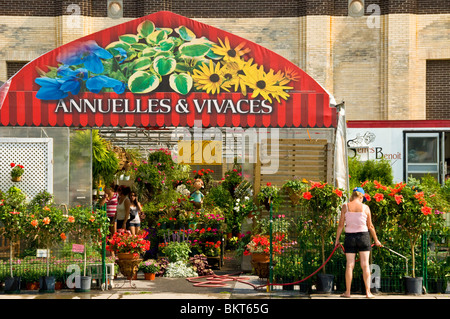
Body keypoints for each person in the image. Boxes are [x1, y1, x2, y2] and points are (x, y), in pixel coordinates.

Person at [335, 187, 382, 298]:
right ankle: (368, 292)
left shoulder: (345, 206)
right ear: (361, 196)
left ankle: (347, 292)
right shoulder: (366, 207)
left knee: (350, 265)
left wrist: (337, 240)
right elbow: (370, 226)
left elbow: (341, 225)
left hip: (349, 238)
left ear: (353, 195)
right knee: (365, 265)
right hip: (363, 237)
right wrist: (376, 240)